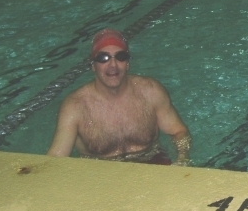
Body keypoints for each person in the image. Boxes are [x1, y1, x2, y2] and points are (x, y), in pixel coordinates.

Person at [47, 29, 191, 165]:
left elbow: (179, 132)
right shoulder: (75, 107)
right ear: (93, 65)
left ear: (127, 64)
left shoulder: (151, 91)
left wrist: (182, 159)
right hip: (101, 173)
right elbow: (56, 158)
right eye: (103, 58)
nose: (113, 65)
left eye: (120, 57)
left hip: (152, 163)